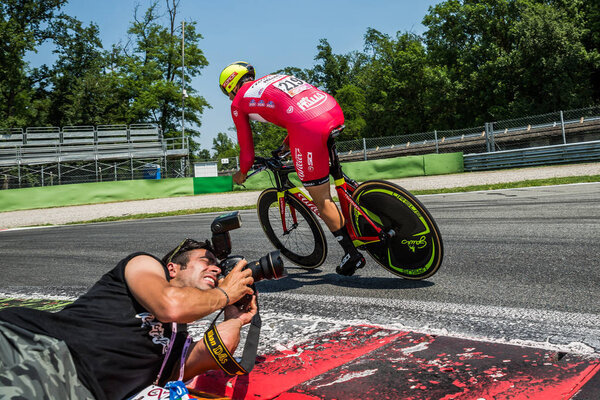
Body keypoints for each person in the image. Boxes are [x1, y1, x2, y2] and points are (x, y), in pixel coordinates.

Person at [0, 239, 256, 400]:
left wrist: (235, 317)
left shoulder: (176, 338)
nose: (216, 268)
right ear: (172, 268)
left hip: (79, 391)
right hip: (33, 346)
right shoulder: (143, 264)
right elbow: (171, 305)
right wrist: (224, 293)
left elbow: (208, 357)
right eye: (206, 261)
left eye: (219, 268)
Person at [219, 61, 366, 276]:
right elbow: (299, 106)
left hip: (307, 125)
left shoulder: (239, 102)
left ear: (230, 84)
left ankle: (351, 254)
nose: (230, 97)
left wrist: (241, 174)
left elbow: (247, 152)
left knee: (321, 198)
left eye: (227, 92)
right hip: (331, 108)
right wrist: (287, 144)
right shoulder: (274, 78)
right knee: (334, 177)